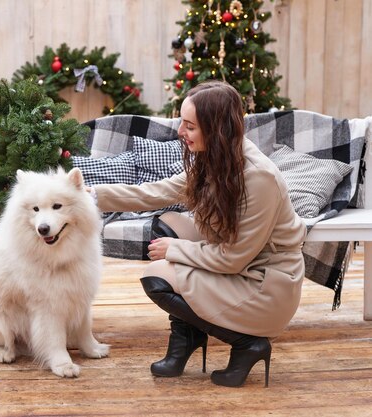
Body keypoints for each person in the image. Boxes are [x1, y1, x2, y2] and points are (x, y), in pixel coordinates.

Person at [89, 80, 307, 387]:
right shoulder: (215, 157)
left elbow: (233, 259)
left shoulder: (258, 177)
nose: (180, 132)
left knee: (158, 275)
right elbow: (157, 191)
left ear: (216, 128)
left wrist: (175, 250)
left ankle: (247, 344)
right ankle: (189, 336)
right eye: (182, 123)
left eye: (189, 126)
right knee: (168, 222)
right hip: (240, 265)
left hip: (264, 284)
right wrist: (91, 196)